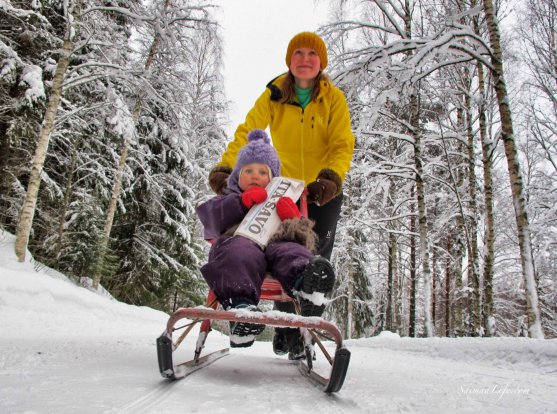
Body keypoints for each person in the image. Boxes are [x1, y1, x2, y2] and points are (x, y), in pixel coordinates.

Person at [207, 32, 355, 357]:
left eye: (311, 54)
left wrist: (329, 178)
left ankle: (298, 334)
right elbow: (248, 133)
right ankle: (281, 324)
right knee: (279, 250)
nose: (305, 59)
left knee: (313, 261)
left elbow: (342, 142)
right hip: (283, 191)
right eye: (298, 53)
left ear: (321, 63)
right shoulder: (275, 95)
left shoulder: (333, 99)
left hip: (320, 191)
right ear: (290, 61)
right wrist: (227, 168)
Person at [197, 129, 336, 349]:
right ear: (237, 177)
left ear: (272, 178)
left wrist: (292, 218)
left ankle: (306, 285)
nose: (255, 175)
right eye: (248, 170)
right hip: (240, 243)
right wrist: (241, 203)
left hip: (275, 246)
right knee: (239, 252)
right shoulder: (231, 198)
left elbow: (305, 239)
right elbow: (212, 219)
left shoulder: (281, 200)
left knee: (292, 250)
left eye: (263, 172)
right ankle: (243, 312)